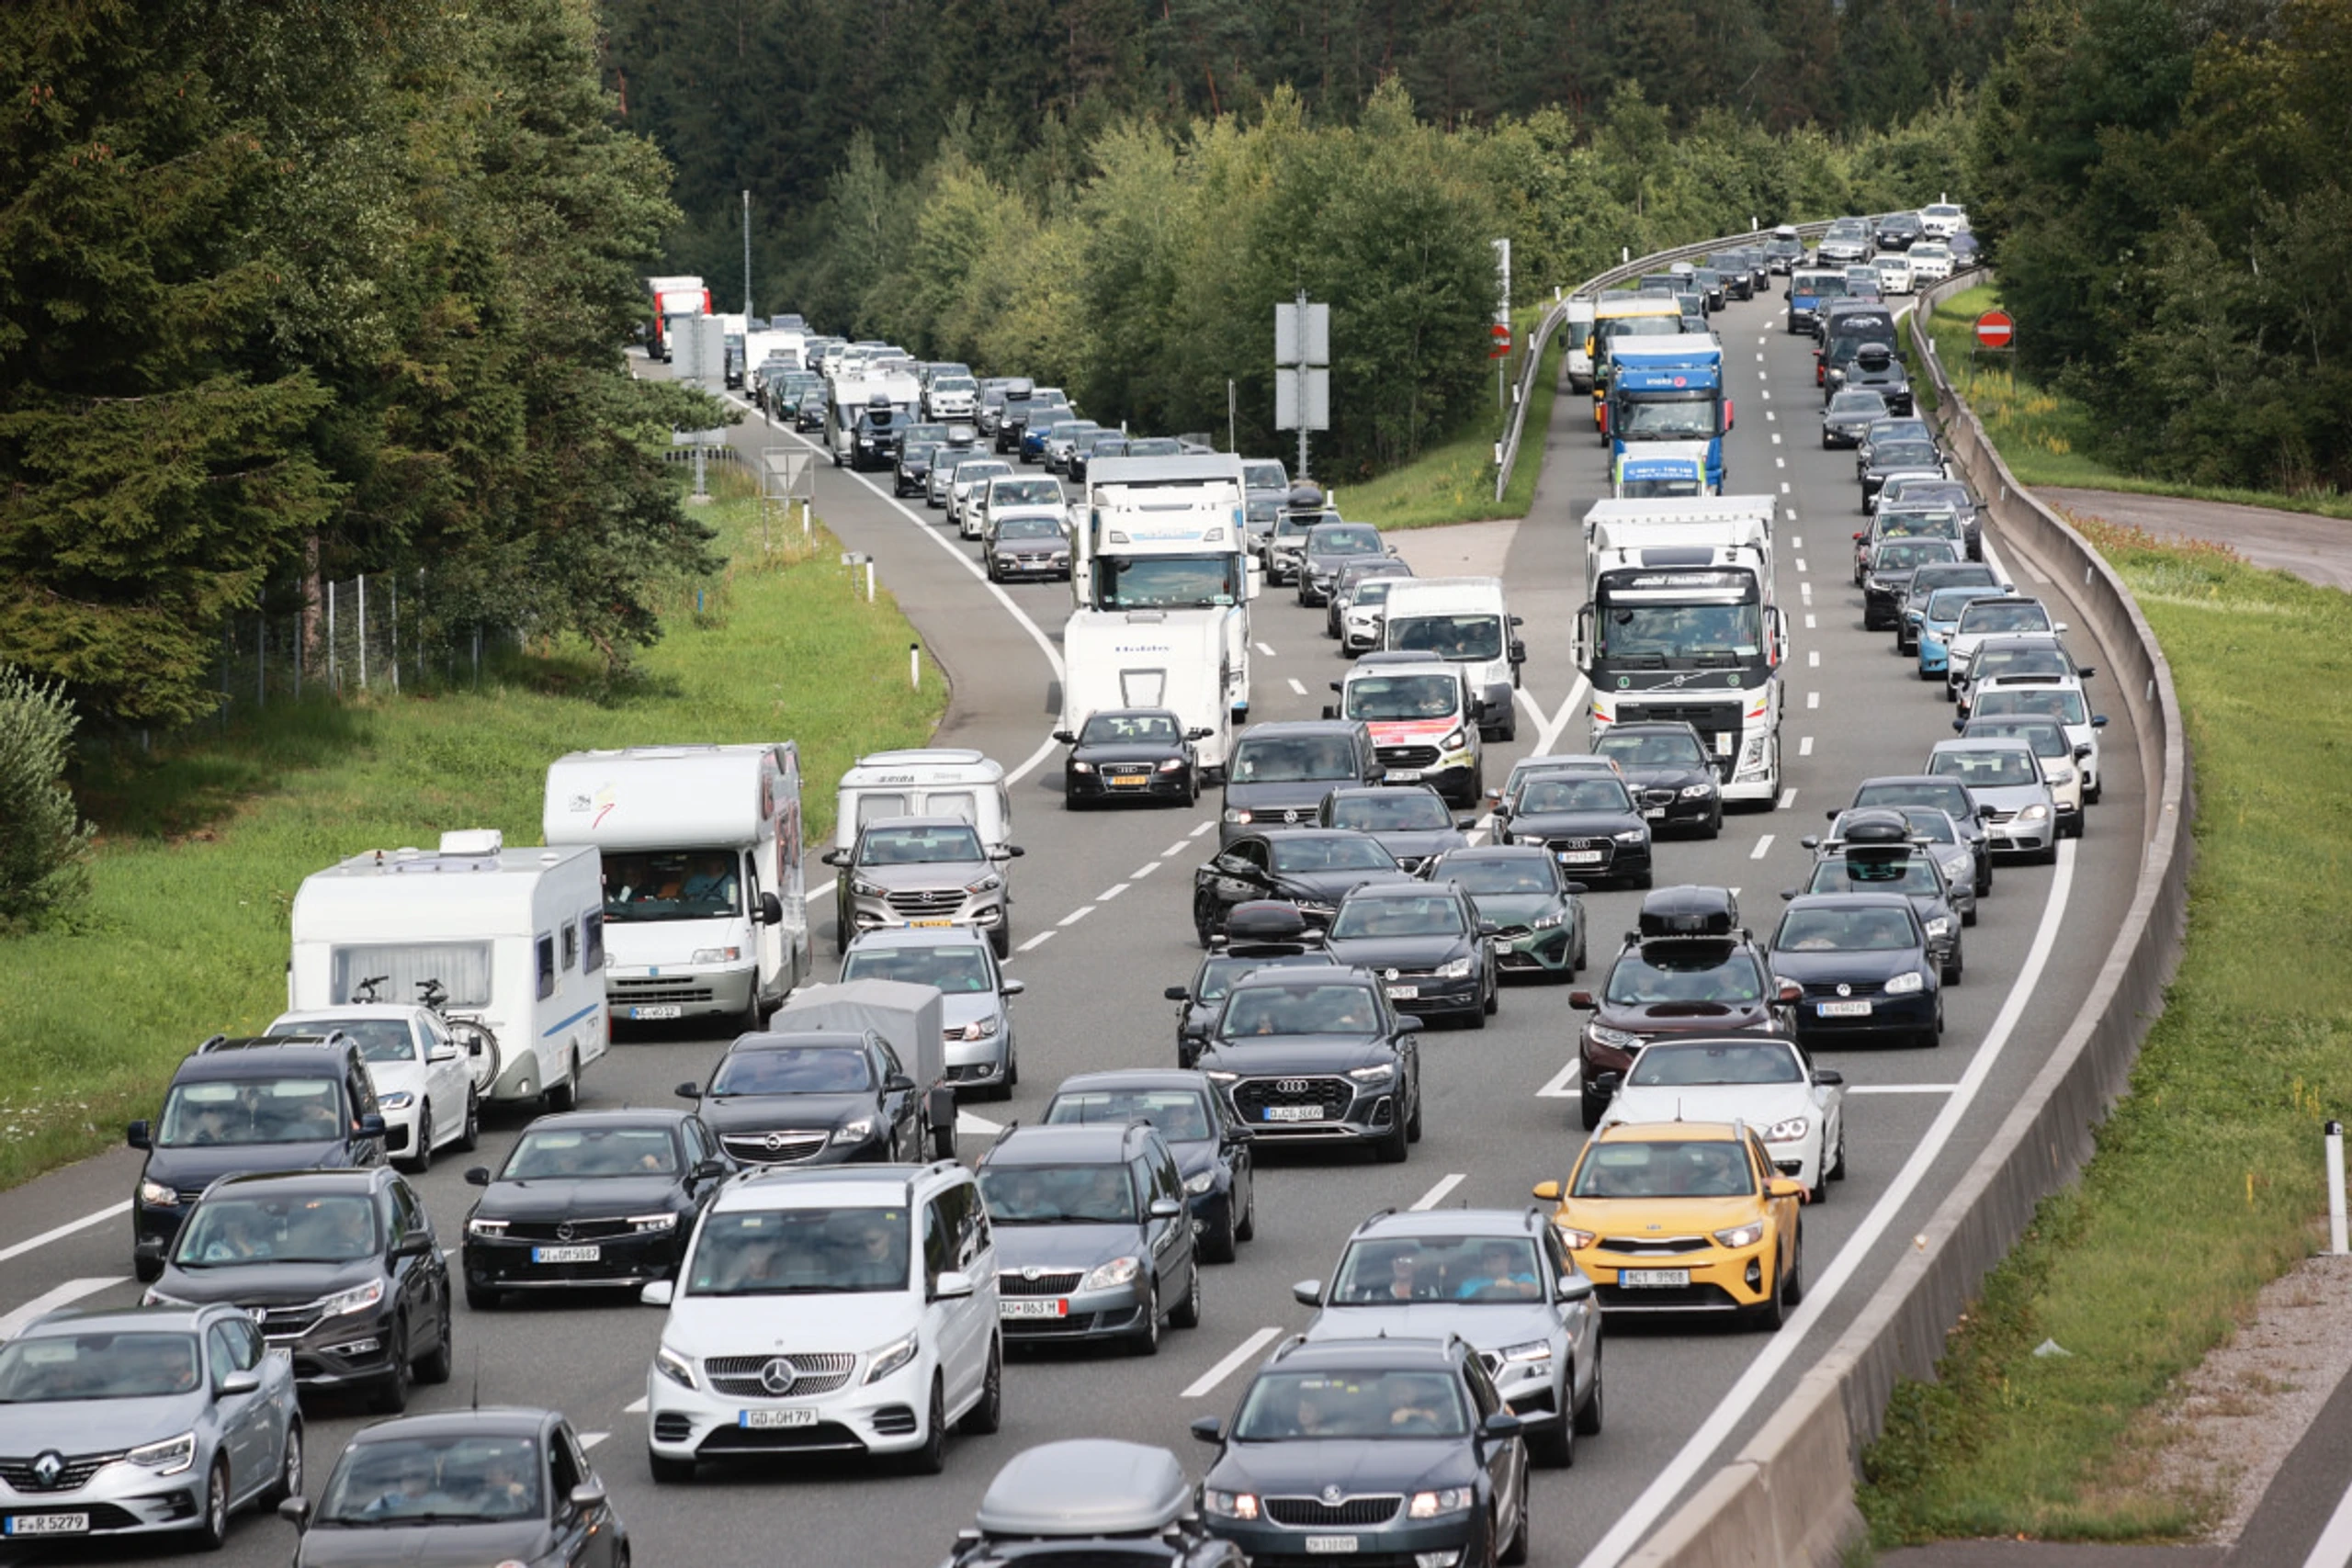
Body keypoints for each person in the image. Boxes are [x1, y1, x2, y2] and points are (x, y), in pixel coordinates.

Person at [1454, 1241, 1542, 1301]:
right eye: (1485, 1256)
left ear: (1507, 1258)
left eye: (1495, 1255)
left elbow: (1537, 1292)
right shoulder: (1470, 1284)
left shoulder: (1523, 1277)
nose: (1489, 1259)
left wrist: (1514, 1286)